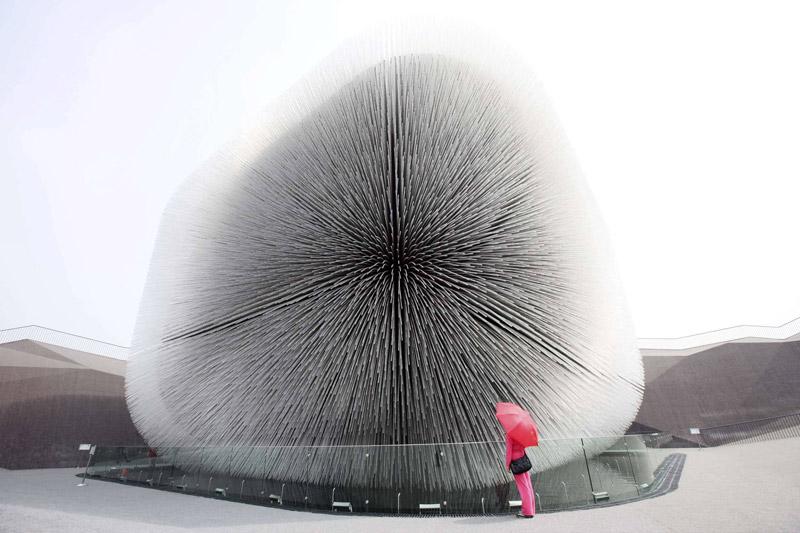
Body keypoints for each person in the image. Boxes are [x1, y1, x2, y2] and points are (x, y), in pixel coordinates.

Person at [505, 434, 535, 518]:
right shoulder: (521, 433)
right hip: (523, 459)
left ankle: (527, 512)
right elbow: (523, 446)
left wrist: (507, 465)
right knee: (528, 485)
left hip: (516, 463)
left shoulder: (510, 435)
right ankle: (531, 509)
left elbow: (509, 451)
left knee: (523, 487)